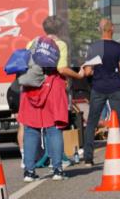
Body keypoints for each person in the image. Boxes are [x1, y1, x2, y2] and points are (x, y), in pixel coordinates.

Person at [19, 15, 84, 181]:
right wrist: (78, 75)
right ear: (60, 30)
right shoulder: (60, 44)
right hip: (52, 87)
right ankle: (57, 170)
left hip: (32, 88)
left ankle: (29, 172)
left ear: (44, 28)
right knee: (54, 129)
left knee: (31, 130)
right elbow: (61, 68)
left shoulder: (32, 42)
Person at [81, 19, 120, 166]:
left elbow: (88, 71)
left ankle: (88, 158)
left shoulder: (93, 47)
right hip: (116, 87)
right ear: (112, 29)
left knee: (92, 122)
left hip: (98, 88)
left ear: (99, 30)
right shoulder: (119, 47)